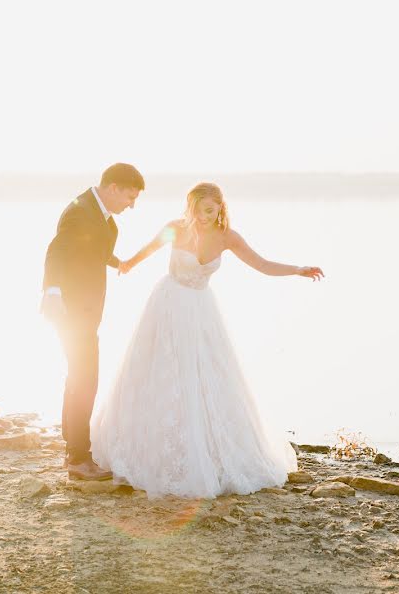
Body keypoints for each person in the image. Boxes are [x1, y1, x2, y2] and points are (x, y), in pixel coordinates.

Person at [90, 182, 324, 498]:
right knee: (161, 375)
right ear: (191, 208)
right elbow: (146, 251)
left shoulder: (228, 237)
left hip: (201, 312)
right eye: (198, 211)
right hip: (168, 306)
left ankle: (207, 451)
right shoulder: (176, 228)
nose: (203, 217)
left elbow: (262, 265)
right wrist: (124, 264)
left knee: (207, 378)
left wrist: (298, 269)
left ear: (220, 208)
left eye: (210, 211)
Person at [41, 162, 144, 480]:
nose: (132, 204)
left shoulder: (106, 221)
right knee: (85, 380)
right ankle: (78, 458)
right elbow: (57, 250)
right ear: (113, 188)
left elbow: (90, 249)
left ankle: (73, 450)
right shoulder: (80, 209)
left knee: (78, 378)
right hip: (69, 309)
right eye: (130, 196)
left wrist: (118, 262)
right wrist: (53, 292)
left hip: (88, 311)